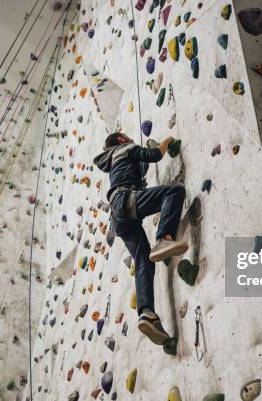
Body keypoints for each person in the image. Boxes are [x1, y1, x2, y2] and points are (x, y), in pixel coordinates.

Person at [94, 132, 188, 345]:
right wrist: (166, 142)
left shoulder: (115, 159)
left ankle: (147, 313)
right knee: (174, 192)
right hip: (126, 200)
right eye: (126, 136)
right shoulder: (125, 148)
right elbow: (154, 155)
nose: (129, 138)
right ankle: (164, 237)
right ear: (120, 140)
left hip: (119, 219)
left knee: (144, 261)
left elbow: (140, 167)